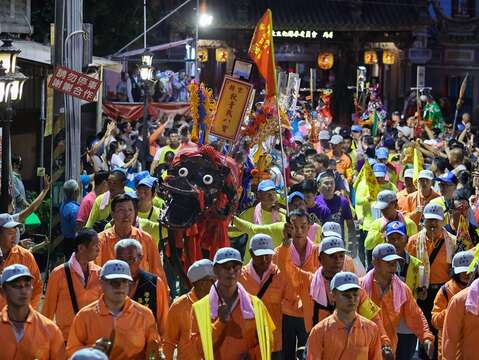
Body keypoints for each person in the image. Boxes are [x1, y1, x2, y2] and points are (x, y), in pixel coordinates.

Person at [277, 233, 392, 357]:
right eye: (332, 256)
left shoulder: (354, 286)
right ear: (320, 259)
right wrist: (286, 245)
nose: (338, 260)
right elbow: (286, 268)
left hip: (348, 344)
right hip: (317, 343)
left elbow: (372, 316)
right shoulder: (308, 283)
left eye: (341, 256)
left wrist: (384, 342)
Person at [66, 260, 162, 359]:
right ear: (102, 283)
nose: (120, 286)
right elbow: (71, 351)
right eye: (114, 282)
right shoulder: (85, 316)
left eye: (124, 281)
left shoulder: (145, 315)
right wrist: (92, 350)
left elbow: (153, 350)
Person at [190, 247, 274, 359]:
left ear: (241, 270)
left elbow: (268, 342)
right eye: (225, 267)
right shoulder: (199, 308)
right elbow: (198, 349)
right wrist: (219, 323)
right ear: (215, 270)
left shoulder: (256, 305)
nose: (231, 272)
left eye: (235, 267)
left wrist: (252, 355)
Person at [362, 243, 434, 355]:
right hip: (363, 346)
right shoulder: (360, 288)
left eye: (395, 263)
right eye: (389, 263)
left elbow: (415, 314)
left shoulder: (401, 289)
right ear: (375, 263)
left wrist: (426, 336)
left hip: (389, 349)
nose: (394, 267)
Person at [406, 203, 456, 358]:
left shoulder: (453, 242)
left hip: (444, 292)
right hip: (422, 292)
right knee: (424, 328)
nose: (433, 224)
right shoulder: (414, 241)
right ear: (423, 220)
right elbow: (409, 267)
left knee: (442, 329)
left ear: (443, 221)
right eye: (429, 220)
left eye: (436, 220)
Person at [239, 234, 294, 359]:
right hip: (248, 344)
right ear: (251, 253)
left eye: (267, 255)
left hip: (274, 342)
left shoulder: (281, 276)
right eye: (260, 255)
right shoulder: (239, 277)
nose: (264, 259)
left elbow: (292, 302)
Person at [306, 272, 382, 360]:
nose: (352, 299)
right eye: (346, 295)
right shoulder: (319, 331)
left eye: (355, 295)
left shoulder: (371, 329)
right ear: (333, 296)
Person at [42, 229, 102, 340]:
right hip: (66, 339)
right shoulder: (58, 274)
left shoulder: (100, 273)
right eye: (95, 245)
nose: (99, 249)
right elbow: (47, 311)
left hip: (92, 339)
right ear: (81, 248)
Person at [96, 193, 167, 285]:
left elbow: (158, 272)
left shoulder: (146, 239)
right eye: (121, 210)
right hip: (112, 291)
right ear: (112, 214)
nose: (127, 214)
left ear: (135, 213)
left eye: (130, 210)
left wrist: (164, 293)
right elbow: (96, 272)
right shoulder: (101, 240)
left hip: (141, 291)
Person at [0, 264, 66, 359]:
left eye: (27, 285)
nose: (23, 291)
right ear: (3, 292)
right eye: (16, 286)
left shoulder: (50, 330)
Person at [114, 239, 169, 335]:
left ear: (140, 257)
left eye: (131, 259)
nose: (126, 264)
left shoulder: (154, 283)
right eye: (121, 260)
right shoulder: (109, 284)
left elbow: (163, 321)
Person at [163, 259, 215, 360]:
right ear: (202, 283)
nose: (218, 283)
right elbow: (168, 343)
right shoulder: (179, 306)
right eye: (213, 279)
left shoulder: (222, 302)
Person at [431, 251, 474, 359]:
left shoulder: (476, 290)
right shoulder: (445, 290)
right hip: (450, 350)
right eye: (463, 271)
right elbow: (435, 321)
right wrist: (452, 310)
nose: (467, 274)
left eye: (469, 271)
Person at [0, 214, 42, 310]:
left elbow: (37, 286)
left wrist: (27, 312)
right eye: (10, 232)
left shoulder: (25, 257)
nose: (14, 236)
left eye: (15, 231)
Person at [315, 170, 355, 242]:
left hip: (338, 243)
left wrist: (353, 243)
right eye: (326, 183)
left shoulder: (343, 202)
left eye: (332, 183)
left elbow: (350, 224)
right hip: (320, 244)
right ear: (319, 186)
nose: (329, 186)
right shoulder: (315, 202)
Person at [60, 179, 81, 258]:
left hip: (66, 241)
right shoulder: (74, 209)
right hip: (73, 242)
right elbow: (77, 228)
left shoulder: (63, 205)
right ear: (76, 191)